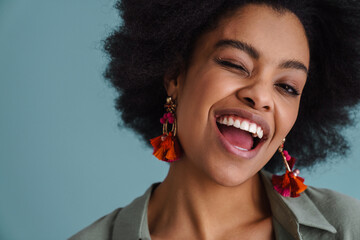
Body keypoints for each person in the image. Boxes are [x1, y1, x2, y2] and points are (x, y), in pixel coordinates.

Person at [69, 0, 360, 239]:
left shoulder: (347, 228)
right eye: (235, 64)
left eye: (287, 87)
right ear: (175, 75)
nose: (260, 96)